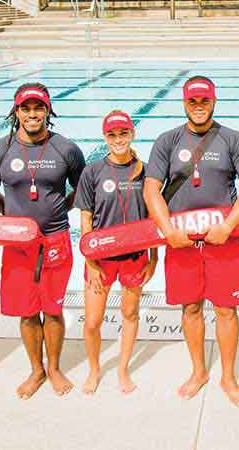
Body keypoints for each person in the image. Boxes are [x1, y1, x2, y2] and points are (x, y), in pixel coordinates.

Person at [143, 76, 239, 406]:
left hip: (223, 241)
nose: (199, 106)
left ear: (214, 101)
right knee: (191, 307)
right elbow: (151, 189)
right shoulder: (167, 141)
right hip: (181, 242)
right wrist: (168, 231)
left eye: (204, 100)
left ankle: (228, 376)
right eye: (193, 100)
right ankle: (199, 371)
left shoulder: (233, 139)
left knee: (226, 310)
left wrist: (228, 225)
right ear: (184, 102)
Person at [0, 83, 85, 398]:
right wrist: (10, 216)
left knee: (53, 308)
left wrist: (61, 209)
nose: (32, 114)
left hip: (56, 239)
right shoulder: (0, 150)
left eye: (38, 108)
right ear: (16, 112)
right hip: (18, 244)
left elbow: (82, 189)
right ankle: (36, 370)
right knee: (27, 311)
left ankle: (54, 368)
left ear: (48, 111)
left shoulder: (66, 149)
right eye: (25, 108)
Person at [75, 110, 157, 395]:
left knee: (130, 313)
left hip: (135, 258)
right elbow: (85, 220)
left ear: (132, 133)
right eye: (112, 134)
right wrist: (91, 261)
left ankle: (122, 369)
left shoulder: (145, 171)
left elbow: (152, 220)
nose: (118, 139)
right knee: (93, 322)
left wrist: (154, 257)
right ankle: (95, 369)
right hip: (100, 259)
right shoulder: (93, 172)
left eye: (123, 133)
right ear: (105, 137)